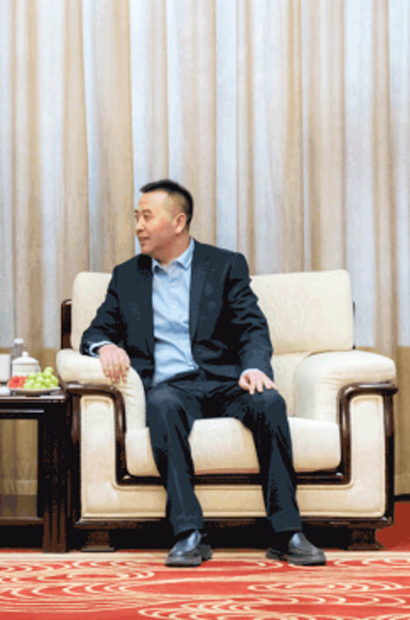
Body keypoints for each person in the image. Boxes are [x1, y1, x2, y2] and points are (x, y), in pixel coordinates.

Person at [80, 179, 325, 567]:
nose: (138, 226)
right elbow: (95, 332)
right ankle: (188, 533)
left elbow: (251, 327)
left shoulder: (224, 265)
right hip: (172, 388)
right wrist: (105, 346)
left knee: (269, 403)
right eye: (136, 217)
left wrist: (254, 368)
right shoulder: (127, 276)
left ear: (178, 222)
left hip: (227, 381)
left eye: (147, 217)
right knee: (161, 405)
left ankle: (286, 532)